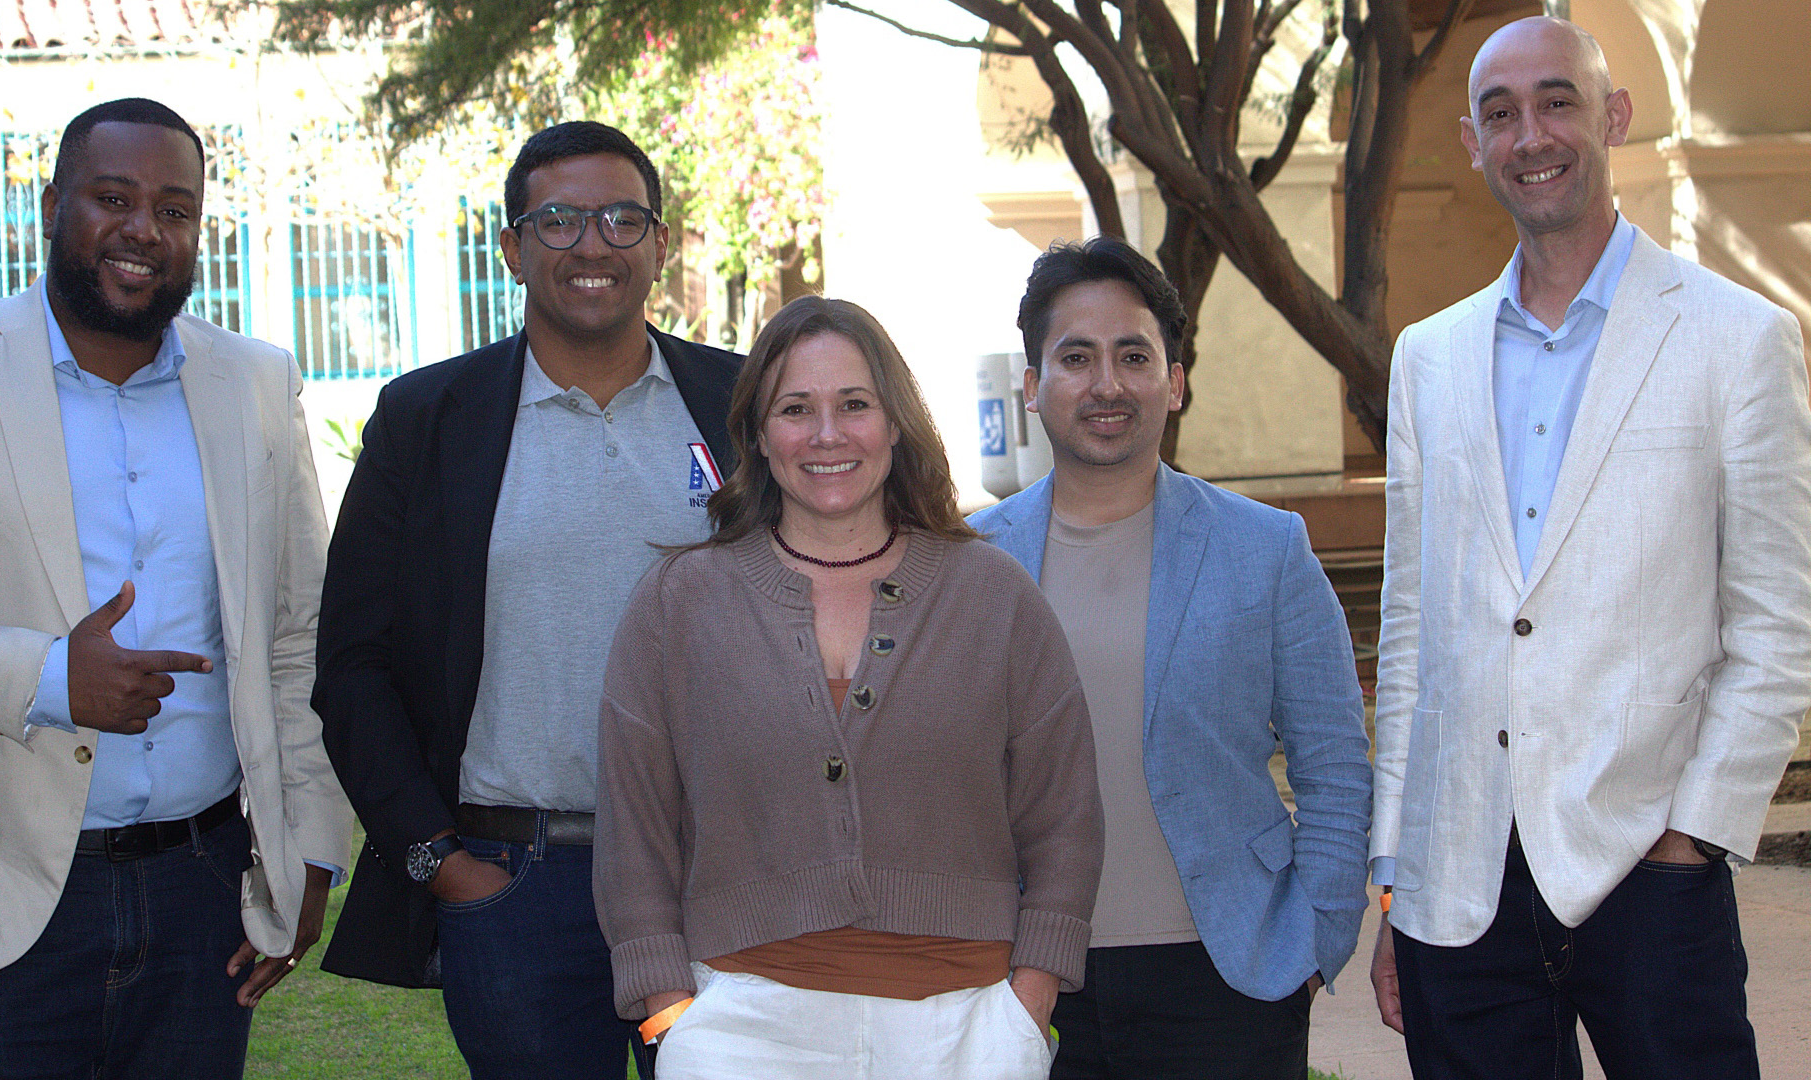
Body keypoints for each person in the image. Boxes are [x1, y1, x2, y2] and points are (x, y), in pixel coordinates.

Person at [1368, 17, 1811, 1079]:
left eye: (1557, 100)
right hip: (1460, 888)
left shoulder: (1737, 338)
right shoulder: (1427, 358)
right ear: (1475, 144)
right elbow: (1410, 633)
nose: (1532, 134)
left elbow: (1777, 621)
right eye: (1501, 113)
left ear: (1612, 117)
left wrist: (1691, 837)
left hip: (1647, 872)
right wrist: (1399, 873)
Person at [0, 97, 351, 1079]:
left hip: (203, 893)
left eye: (176, 209)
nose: (146, 229)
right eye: (113, 198)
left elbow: (296, 633)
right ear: (53, 205)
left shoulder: (257, 385)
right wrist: (47, 678)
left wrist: (310, 841)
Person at [313, 120, 744, 1079]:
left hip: (720, 875)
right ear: (510, 248)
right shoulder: (426, 421)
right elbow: (352, 665)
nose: (592, 244)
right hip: (517, 889)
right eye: (557, 221)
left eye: (622, 219)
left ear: (661, 244)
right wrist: (440, 863)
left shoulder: (745, 402)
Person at [593, 295, 1103, 1079]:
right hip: (741, 1028)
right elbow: (635, 831)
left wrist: (1027, 1003)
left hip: (965, 1026)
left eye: (854, 405)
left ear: (895, 423)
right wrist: (673, 1017)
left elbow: (1065, 816)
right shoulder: (678, 603)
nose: (827, 435)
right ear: (759, 436)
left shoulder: (994, 597)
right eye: (796, 409)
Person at [968, 237, 1372, 1080]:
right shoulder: (971, 562)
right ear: (1035, 388)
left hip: (1227, 977)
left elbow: (1334, 761)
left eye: (1134, 356)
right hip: (1028, 978)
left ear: (1175, 381)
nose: (1106, 384)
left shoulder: (1266, 547)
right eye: (1075, 358)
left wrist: (1313, 939)